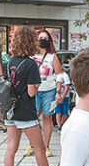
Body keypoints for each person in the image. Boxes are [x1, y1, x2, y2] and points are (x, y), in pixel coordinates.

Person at [3, 25, 57, 166]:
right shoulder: (30, 64)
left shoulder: (10, 62)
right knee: (39, 148)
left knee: (11, 147)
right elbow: (31, 92)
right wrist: (37, 85)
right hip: (26, 111)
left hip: (10, 109)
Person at [23, 29, 63, 158]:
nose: (42, 40)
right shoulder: (31, 56)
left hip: (49, 90)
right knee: (32, 118)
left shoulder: (53, 57)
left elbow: (59, 75)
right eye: (40, 38)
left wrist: (58, 91)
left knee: (47, 117)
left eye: (45, 38)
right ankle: (31, 144)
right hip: (34, 91)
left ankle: (46, 146)